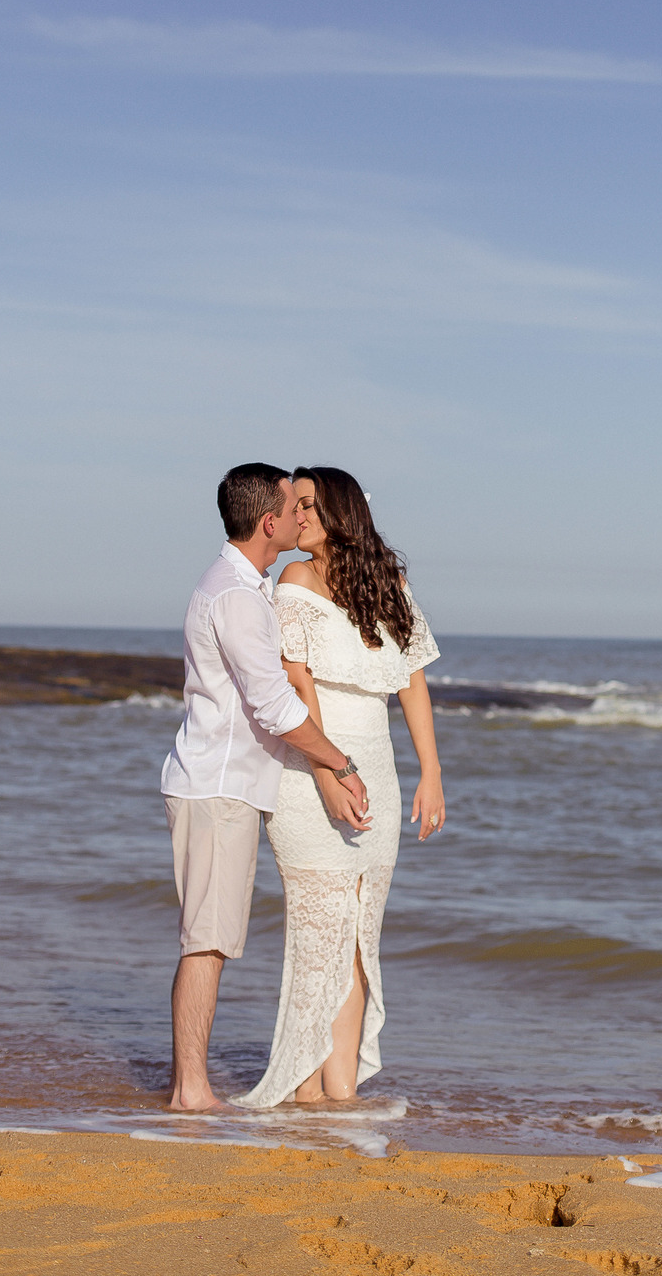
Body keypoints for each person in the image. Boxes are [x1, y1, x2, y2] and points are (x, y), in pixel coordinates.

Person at [160, 463, 370, 1113]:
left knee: (212, 938)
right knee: (208, 941)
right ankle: (190, 1091)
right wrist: (339, 762)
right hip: (218, 788)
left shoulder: (240, 587)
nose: (299, 516)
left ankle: (190, 1086)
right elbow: (274, 706)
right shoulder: (235, 596)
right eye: (290, 505)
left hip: (226, 788)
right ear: (268, 523)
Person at [237, 466, 444, 1109]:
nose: (294, 515)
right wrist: (328, 775)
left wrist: (431, 772)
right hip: (312, 773)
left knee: (359, 941)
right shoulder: (293, 581)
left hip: (376, 768)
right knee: (318, 935)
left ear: (337, 512)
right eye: (291, 505)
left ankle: (342, 1093)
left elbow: (411, 681)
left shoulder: (391, 583)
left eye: (304, 504)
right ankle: (303, 1093)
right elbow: (298, 686)